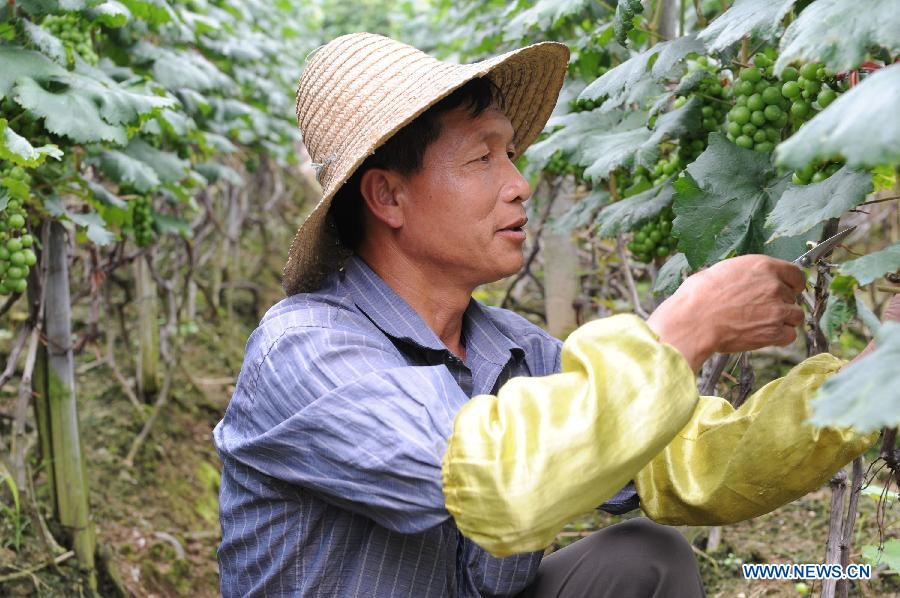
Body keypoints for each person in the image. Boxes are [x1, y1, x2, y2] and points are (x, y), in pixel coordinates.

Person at [213, 33, 891, 597]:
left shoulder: (511, 349)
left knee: (643, 560)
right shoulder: (305, 350)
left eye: (511, 152)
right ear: (387, 196)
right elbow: (494, 481)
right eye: (481, 157)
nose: (519, 183)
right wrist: (683, 328)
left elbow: (689, 461)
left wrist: (871, 377)